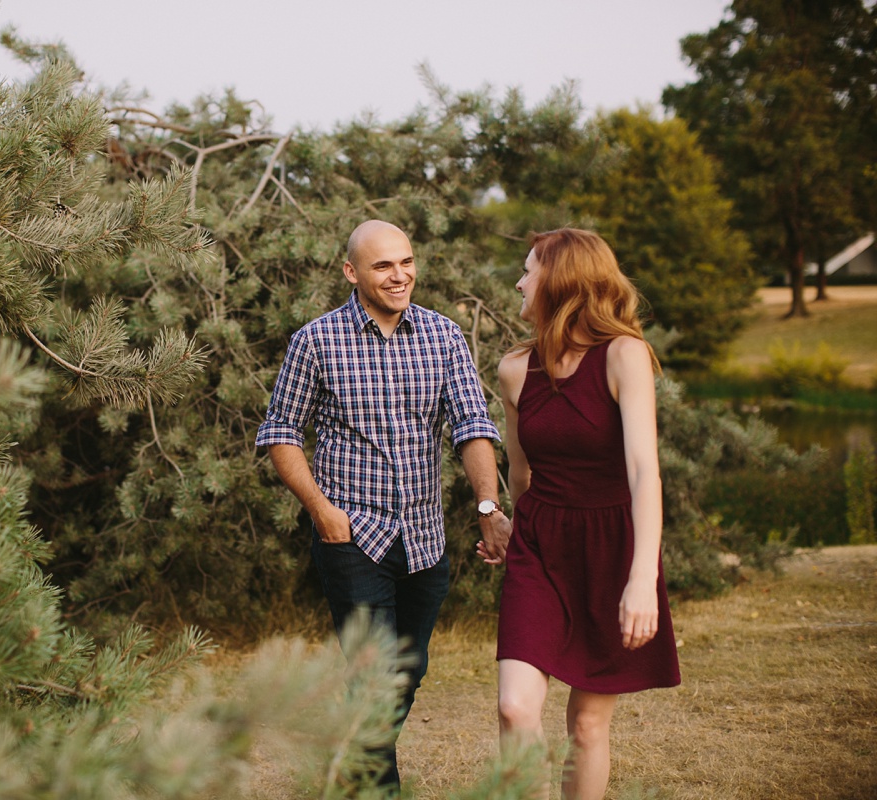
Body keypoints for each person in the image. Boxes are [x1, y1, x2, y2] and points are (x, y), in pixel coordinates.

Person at [256, 220, 512, 794]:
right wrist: (321, 510)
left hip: (424, 536)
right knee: (375, 676)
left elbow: (471, 425)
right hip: (352, 536)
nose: (400, 276)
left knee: (409, 670)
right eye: (382, 265)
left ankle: (347, 762)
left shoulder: (443, 336)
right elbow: (280, 432)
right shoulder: (315, 341)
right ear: (352, 272)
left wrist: (489, 505)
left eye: (407, 262)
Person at [481, 228, 681, 799]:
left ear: (561, 281)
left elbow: (645, 470)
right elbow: (522, 473)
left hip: (613, 548)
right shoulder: (515, 369)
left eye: (528, 272)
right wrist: (506, 526)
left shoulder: (624, 355)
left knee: (588, 726)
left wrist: (643, 579)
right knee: (515, 707)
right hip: (540, 545)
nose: (519, 282)